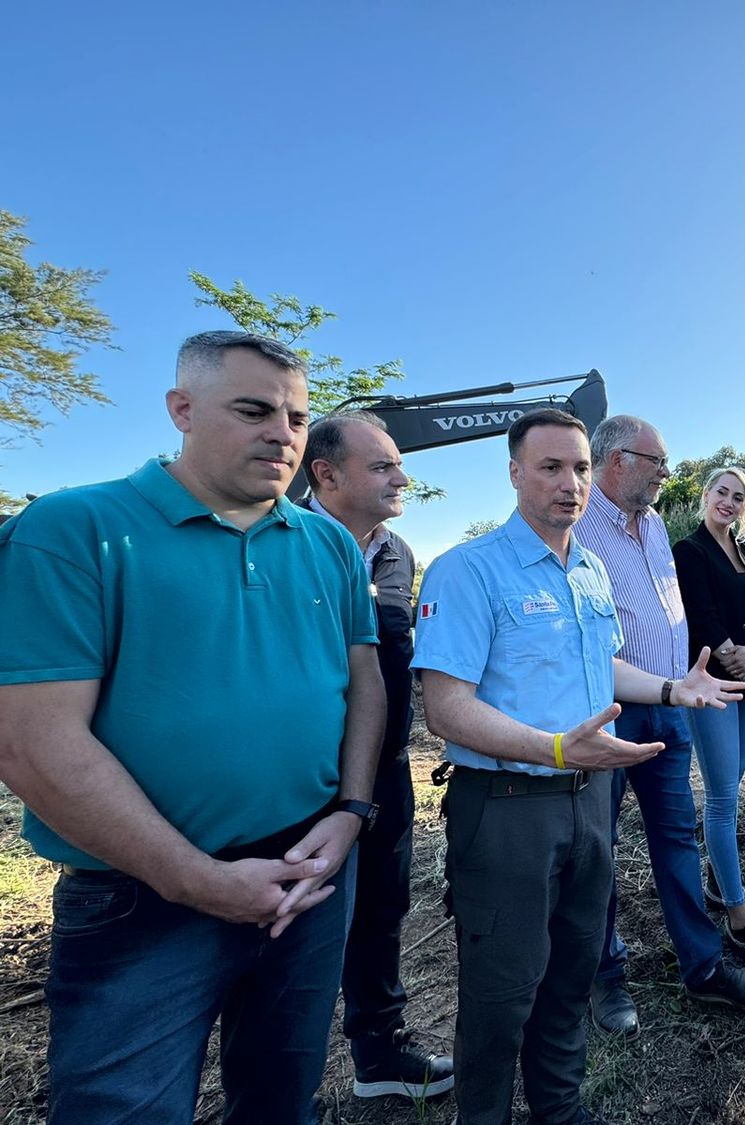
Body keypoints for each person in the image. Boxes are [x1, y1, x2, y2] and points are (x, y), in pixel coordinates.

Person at [0, 330, 385, 1124]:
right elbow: (33, 742)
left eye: (297, 416)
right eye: (253, 409)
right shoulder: (74, 530)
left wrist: (350, 812)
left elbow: (364, 682)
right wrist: (196, 878)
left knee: (281, 1096)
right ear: (181, 408)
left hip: (309, 868)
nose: (281, 432)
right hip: (141, 895)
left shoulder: (329, 546)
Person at [414, 408, 744, 1125]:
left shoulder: (590, 570)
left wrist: (670, 688)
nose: (571, 484)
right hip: (505, 806)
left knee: (568, 980)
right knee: (502, 998)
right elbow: (445, 707)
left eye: (581, 469)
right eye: (551, 467)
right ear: (513, 473)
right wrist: (556, 749)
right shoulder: (468, 569)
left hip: (588, 802)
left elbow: (604, 667)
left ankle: (560, 1111)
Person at [574, 415, 745, 1038]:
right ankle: (605, 975)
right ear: (615, 459)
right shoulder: (577, 524)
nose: (664, 471)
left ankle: (704, 967)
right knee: (598, 847)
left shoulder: (653, 524)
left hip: (671, 704)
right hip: (610, 710)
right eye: (655, 460)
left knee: (676, 836)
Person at [301, 412, 455, 1097]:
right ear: (325, 475)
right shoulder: (283, 544)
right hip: (299, 783)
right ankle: (284, 1077)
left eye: (399, 462)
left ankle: (380, 1051)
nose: (403, 476)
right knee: (296, 930)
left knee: (383, 906)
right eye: (384, 466)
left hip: (386, 772)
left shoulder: (400, 555)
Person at [672, 466, 745, 965]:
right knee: (720, 799)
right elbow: (700, 616)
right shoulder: (688, 551)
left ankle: (721, 886)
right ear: (706, 495)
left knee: (730, 792)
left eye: (739, 497)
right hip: (713, 686)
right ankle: (737, 917)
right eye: (722, 492)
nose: (729, 502)